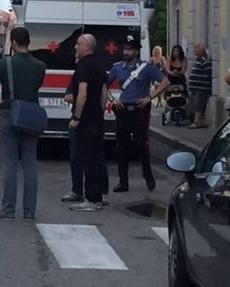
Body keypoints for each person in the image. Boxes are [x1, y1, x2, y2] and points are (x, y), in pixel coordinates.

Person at [0, 27, 45, 220]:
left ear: (13, 43)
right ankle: (29, 211)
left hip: (9, 113)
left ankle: (8, 210)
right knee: (30, 164)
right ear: (28, 42)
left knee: (10, 164)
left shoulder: (5, 63)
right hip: (31, 115)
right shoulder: (40, 65)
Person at [108, 35, 170, 193]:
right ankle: (123, 182)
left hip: (139, 110)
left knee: (140, 144)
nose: (126, 52)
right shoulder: (117, 67)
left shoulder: (146, 68)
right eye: (125, 49)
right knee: (121, 146)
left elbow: (165, 82)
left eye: (129, 49)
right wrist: (112, 99)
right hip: (122, 110)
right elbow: (103, 84)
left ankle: (148, 175)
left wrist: (150, 97)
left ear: (136, 51)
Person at [67, 34, 109, 212]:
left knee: (88, 159)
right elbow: (104, 93)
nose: (75, 47)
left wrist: (76, 118)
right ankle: (99, 195)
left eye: (78, 44)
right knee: (97, 158)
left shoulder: (83, 66)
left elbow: (82, 93)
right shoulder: (99, 65)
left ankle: (92, 199)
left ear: (87, 46)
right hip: (97, 118)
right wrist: (99, 111)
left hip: (85, 119)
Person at [188, 43, 212, 129]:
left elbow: (209, 73)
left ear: (201, 50)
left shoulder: (205, 59)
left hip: (202, 87)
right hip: (197, 87)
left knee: (199, 104)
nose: (194, 50)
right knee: (197, 104)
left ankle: (197, 122)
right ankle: (201, 121)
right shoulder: (199, 59)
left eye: (196, 48)